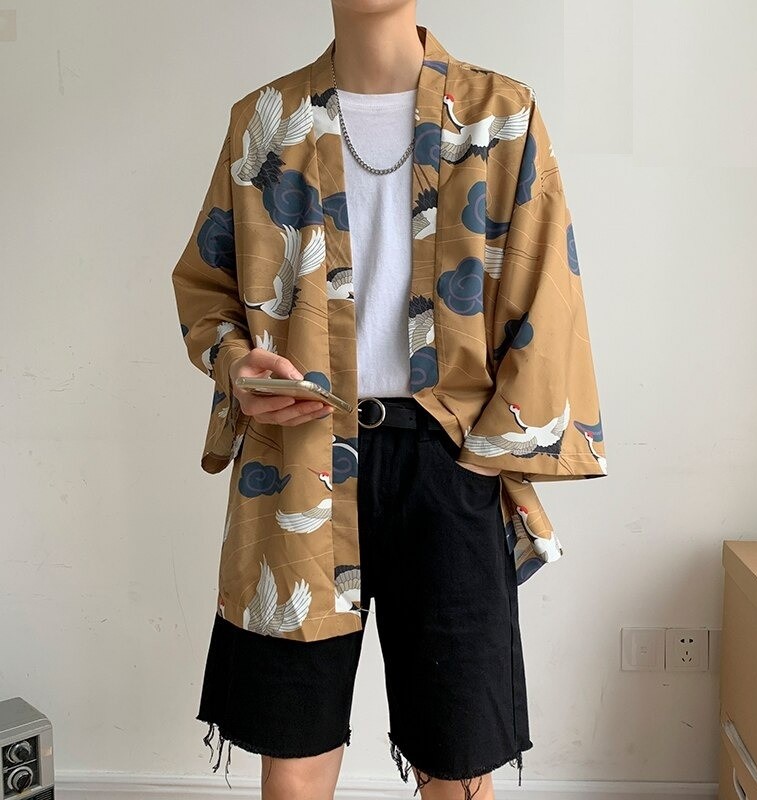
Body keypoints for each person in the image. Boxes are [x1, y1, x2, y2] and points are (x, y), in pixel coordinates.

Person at [171, 2, 607, 799]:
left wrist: (487, 467)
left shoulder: (500, 115)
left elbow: (549, 300)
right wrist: (237, 367)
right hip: (296, 463)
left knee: (457, 758)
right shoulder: (265, 121)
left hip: (449, 463)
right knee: (292, 755)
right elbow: (207, 286)